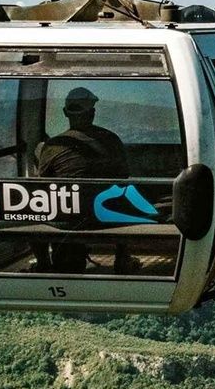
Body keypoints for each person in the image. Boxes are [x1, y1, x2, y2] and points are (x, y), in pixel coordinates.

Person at [32, 87, 139, 274]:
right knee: (123, 196)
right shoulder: (112, 139)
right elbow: (123, 175)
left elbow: (43, 182)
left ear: (65, 112)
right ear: (93, 112)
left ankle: (43, 262)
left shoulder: (53, 146)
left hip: (66, 217)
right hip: (107, 215)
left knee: (35, 205)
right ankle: (122, 257)